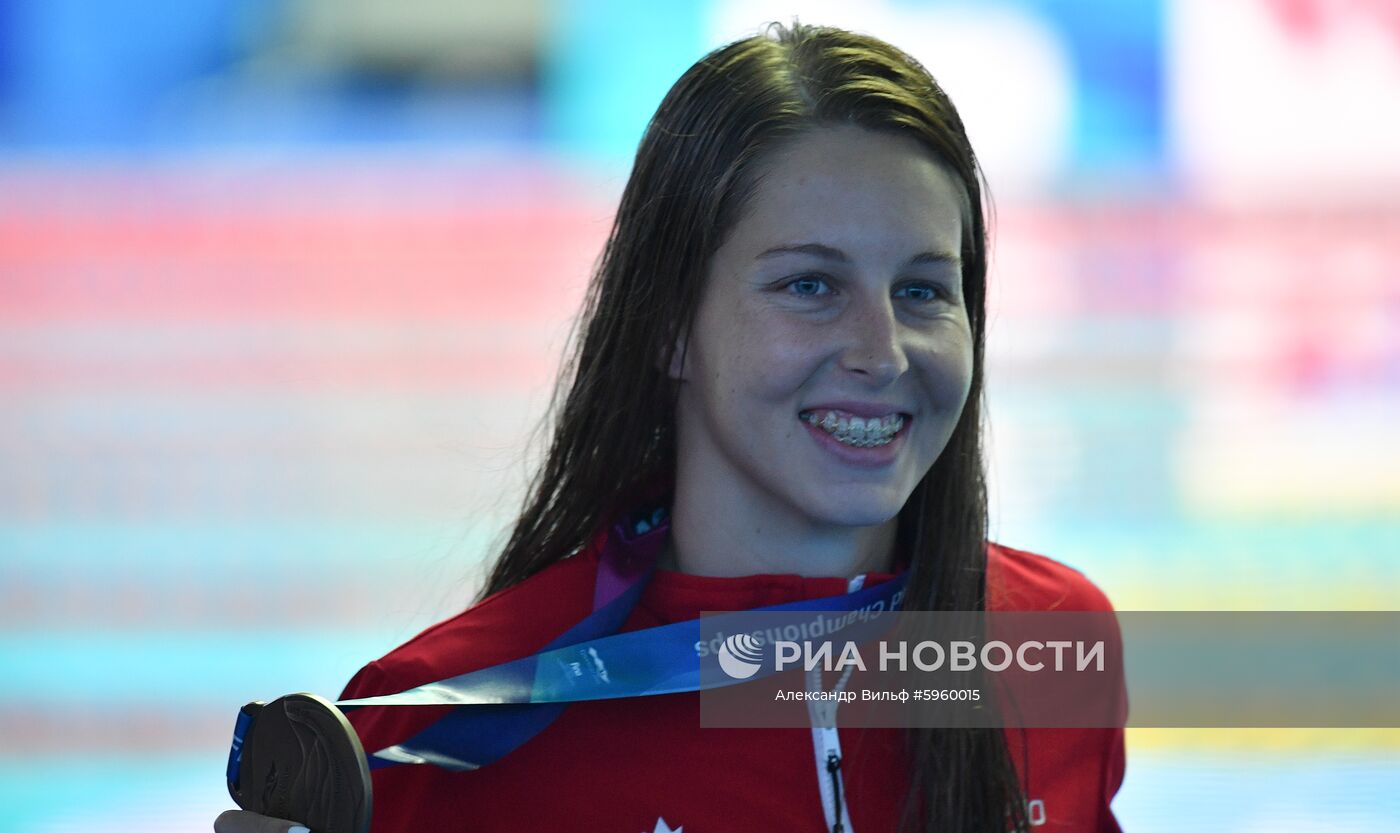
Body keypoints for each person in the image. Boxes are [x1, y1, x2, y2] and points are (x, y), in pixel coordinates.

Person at [216, 22, 1124, 833]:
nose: (882, 352)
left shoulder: (1051, 641)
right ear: (668, 324)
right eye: (810, 284)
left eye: (923, 290)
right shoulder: (431, 733)